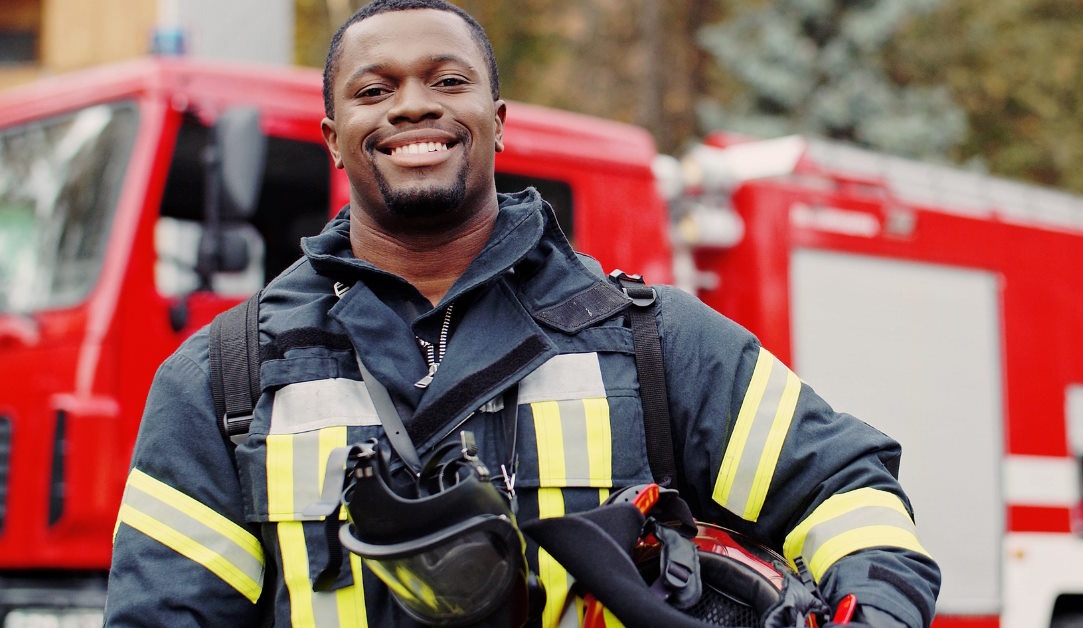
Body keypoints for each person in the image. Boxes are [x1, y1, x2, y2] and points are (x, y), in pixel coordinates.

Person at [104, 1, 940, 626]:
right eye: (374, 89)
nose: (412, 106)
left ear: (497, 124)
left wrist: (875, 613)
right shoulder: (225, 376)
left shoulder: (655, 341)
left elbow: (843, 487)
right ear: (333, 135)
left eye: (448, 80)